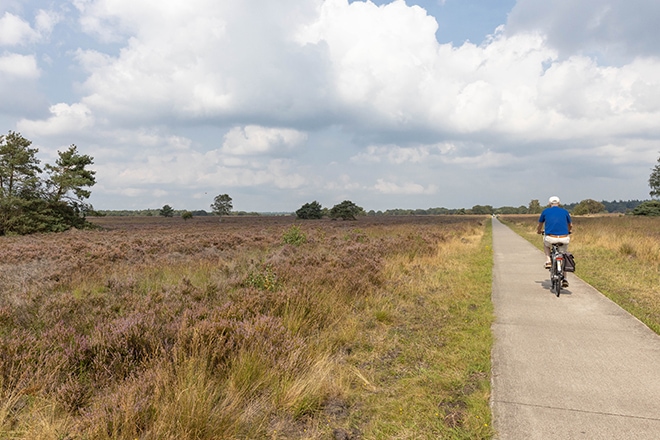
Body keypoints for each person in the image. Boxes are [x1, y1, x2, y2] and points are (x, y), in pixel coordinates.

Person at [537, 196, 572, 286]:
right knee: (563, 255)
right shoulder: (565, 212)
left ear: (549, 203)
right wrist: (568, 231)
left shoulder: (545, 212)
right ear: (559, 203)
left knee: (546, 244)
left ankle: (548, 260)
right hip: (564, 238)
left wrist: (539, 231)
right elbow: (570, 225)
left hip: (551, 237)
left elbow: (540, 224)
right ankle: (565, 278)